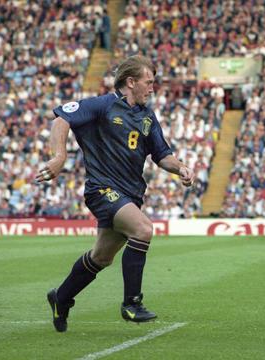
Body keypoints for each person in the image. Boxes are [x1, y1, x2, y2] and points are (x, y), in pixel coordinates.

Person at [37, 55, 194, 332]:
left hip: (130, 194)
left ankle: (60, 298)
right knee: (143, 229)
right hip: (102, 189)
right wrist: (59, 156)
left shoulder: (147, 116)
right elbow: (61, 117)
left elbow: (162, 155)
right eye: (149, 82)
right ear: (130, 82)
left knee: (101, 258)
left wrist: (180, 167)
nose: (152, 88)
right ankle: (132, 304)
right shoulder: (102, 105)